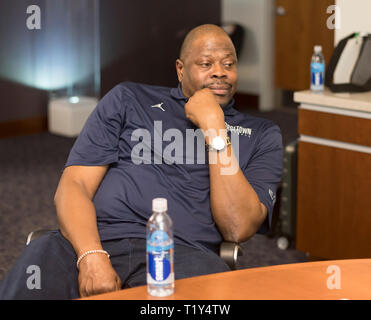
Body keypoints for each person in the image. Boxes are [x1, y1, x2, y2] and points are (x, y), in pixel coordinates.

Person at [0, 24, 283, 299]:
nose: (220, 72)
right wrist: (91, 255)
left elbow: (237, 227)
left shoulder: (262, 134)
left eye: (228, 64)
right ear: (180, 70)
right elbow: (74, 185)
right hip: (95, 240)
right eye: (206, 63)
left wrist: (215, 128)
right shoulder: (128, 99)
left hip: (184, 256)